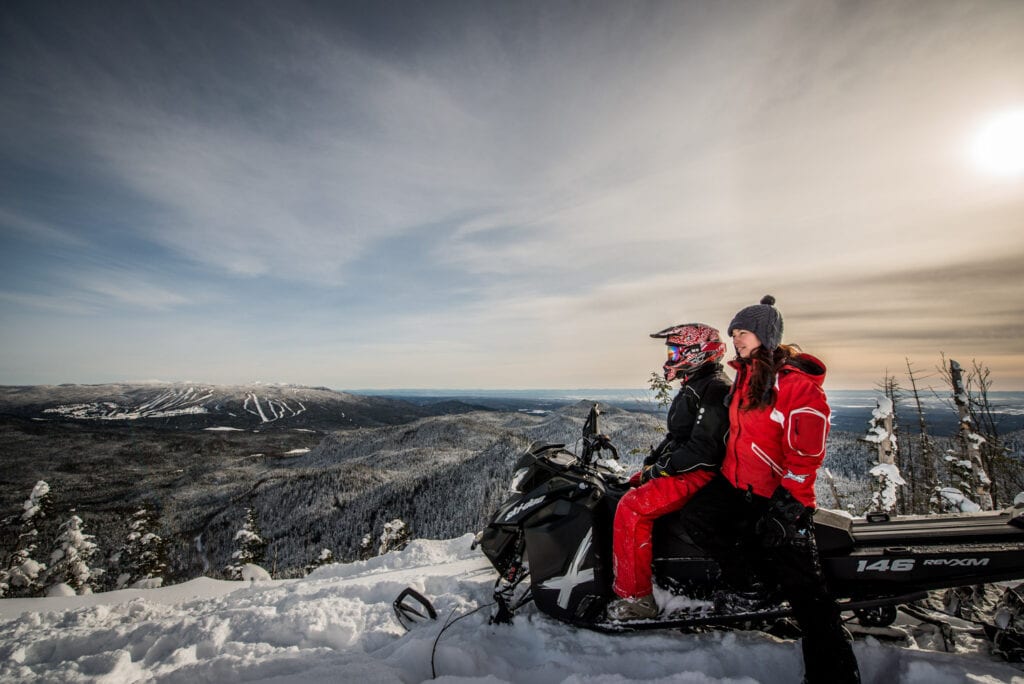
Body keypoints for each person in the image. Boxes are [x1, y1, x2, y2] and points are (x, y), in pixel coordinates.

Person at [679, 295, 860, 683]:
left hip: (781, 498)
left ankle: (835, 675)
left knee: (808, 594)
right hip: (737, 485)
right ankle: (751, 586)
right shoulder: (745, 375)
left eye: (742, 332)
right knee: (696, 515)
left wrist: (790, 503)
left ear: (764, 335)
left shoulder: (796, 386)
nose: (736, 338)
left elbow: (807, 452)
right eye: (734, 332)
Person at [606, 323, 731, 621]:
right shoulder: (698, 383)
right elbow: (679, 437)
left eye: (676, 350)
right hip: (688, 468)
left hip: (699, 473)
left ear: (697, 352)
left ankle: (637, 598)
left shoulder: (715, 388)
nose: (671, 356)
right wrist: (652, 466)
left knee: (632, 508)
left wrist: (663, 470)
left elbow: (703, 450)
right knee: (627, 487)